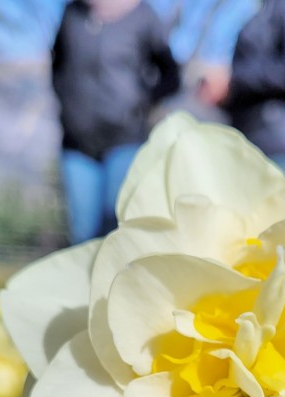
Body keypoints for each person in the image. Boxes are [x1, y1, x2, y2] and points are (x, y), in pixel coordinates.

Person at [52, 0, 180, 244]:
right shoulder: (72, 14)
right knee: (82, 233)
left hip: (125, 138)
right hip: (77, 142)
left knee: (117, 222)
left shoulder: (143, 15)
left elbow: (171, 75)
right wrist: (67, 107)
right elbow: (57, 66)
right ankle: (85, 283)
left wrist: (140, 103)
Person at [198, 0, 285, 180]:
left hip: (283, 151)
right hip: (249, 147)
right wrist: (221, 92)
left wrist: (234, 80)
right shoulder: (262, 12)